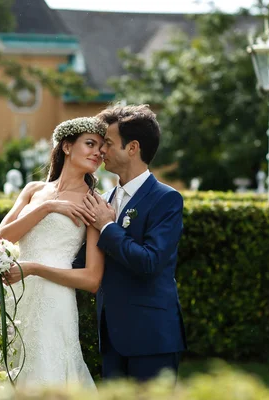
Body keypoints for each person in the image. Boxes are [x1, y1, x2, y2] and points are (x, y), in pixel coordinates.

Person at [0, 116, 107, 388]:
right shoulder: (34, 190)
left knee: (49, 371)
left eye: (101, 149)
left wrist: (33, 268)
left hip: (54, 299)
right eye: (90, 144)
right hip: (17, 294)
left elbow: (92, 280)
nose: (97, 153)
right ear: (67, 147)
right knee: (13, 369)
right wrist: (48, 207)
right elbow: (1, 238)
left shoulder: (94, 203)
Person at [81, 104, 188, 382]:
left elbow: (149, 262)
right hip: (111, 337)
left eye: (109, 143)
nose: (101, 150)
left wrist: (106, 226)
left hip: (152, 338)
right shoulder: (102, 199)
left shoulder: (166, 199)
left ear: (132, 148)